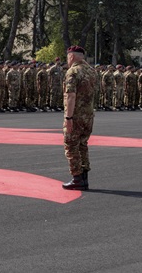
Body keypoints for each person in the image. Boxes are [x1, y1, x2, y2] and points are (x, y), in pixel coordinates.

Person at [62, 45, 97, 190]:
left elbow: (71, 96)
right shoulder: (91, 71)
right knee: (83, 145)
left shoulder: (73, 71)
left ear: (71, 56)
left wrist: (68, 118)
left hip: (76, 116)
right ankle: (84, 178)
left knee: (71, 145)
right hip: (88, 115)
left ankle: (77, 178)